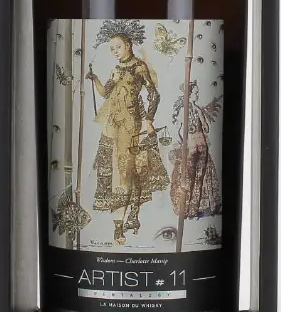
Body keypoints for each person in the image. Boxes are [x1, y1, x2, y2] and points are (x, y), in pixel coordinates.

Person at [86, 29, 170, 245]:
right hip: (112, 124)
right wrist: (95, 78)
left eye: (118, 47)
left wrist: (149, 119)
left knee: (126, 172)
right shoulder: (116, 69)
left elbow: (154, 94)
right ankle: (126, 219)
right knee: (113, 171)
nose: (115, 51)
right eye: (111, 49)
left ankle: (124, 222)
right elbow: (105, 92)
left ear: (128, 45)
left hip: (131, 124)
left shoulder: (139, 67)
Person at [169, 81, 223, 221]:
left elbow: (203, 128)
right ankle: (188, 209)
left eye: (197, 93)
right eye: (195, 93)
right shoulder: (187, 109)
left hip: (198, 147)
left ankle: (192, 209)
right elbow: (183, 129)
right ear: (189, 93)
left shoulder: (194, 109)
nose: (197, 95)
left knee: (196, 179)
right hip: (194, 147)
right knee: (191, 179)